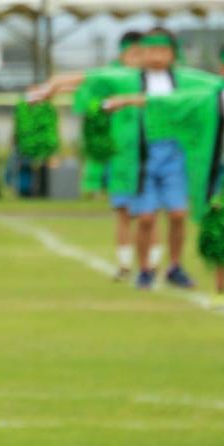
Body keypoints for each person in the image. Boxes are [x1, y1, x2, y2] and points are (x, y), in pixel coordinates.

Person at [98, 38, 224, 306]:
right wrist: (128, 100)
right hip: (221, 174)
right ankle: (220, 290)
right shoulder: (210, 98)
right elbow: (169, 103)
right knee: (220, 231)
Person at [28, 30, 146, 278]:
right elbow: (82, 83)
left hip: (149, 155)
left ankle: (151, 266)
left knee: (149, 215)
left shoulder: (158, 80)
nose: (138, 58)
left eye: (142, 53)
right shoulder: (112, 78)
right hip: (121, 155)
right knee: (123, 209)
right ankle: (125, 264)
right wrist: (55, 86)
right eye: (133, 53)